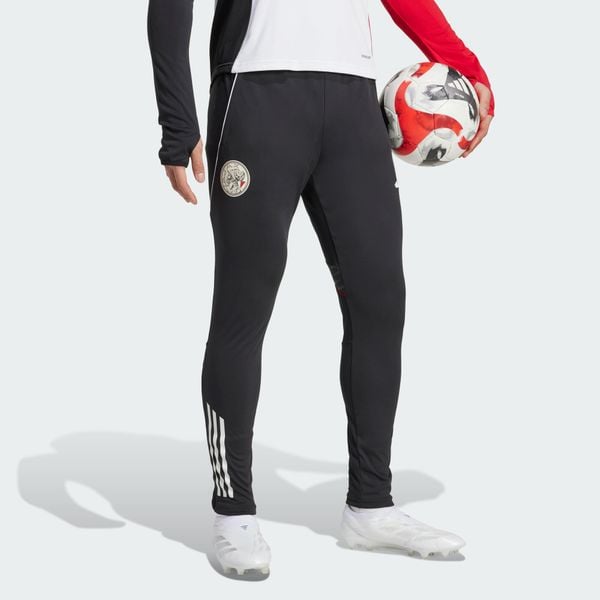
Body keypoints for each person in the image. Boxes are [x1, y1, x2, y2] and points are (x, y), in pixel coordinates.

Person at [147, 0, 495, 575]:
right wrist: (177, 120)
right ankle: (233, 512)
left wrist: (465, 66)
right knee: (243, 304)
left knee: (380, 300)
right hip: (256, 93)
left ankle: (370, 505)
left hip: (353, 102)